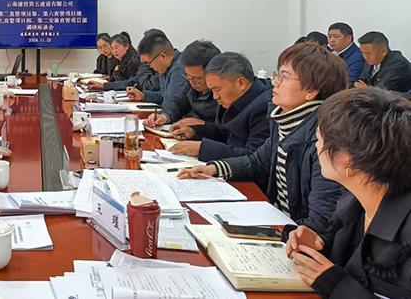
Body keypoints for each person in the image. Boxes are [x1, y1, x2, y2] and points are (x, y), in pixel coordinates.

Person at [179, 44, 348, 233]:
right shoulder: (284, 120)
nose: (274, 82)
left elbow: (320, 222)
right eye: (277, 75)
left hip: (294, 233)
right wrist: (214, 168)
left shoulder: (324, 138)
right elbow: (257, 161)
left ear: (311, 90)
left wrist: (277, 235)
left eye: (284, 77)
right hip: (279, 220)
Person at [286, 88, 411, 297]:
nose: (316, 147)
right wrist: (319, 245)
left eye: (319, 140)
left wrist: (336, 284)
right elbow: (352, 257)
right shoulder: (353, 202)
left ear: (348, 160)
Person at [169, 52, 272, 161]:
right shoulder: (234, 98)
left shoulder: (264, 107)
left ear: (241, 83)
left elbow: (254, 157)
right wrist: (194, 132)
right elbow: (224, 133)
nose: (215, 96)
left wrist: (203, 149)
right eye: (212, 91)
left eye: (217, 89)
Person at [144, 40, 220, 129]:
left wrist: (203, 125)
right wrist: (164, 116)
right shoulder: (191, 83)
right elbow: (178, 104)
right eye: (188, 77)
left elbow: (225, 130)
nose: (192, 83)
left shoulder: (221, 93)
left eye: (198, 79)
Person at [130, 32, 185, 124]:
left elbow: (172, 102)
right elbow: (164, 95)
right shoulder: (165, 67)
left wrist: (163, 116)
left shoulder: (180, 68)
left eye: (148, 63)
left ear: (162, 56)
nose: (150, 67)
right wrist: (143, 96)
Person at [93, 30, 161, 93]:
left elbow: (135, 83)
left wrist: (105, 85)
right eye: (112, 48)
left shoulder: (135, 60)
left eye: (116, 47)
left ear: (126, 46)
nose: (114, 51)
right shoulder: (117, 60)